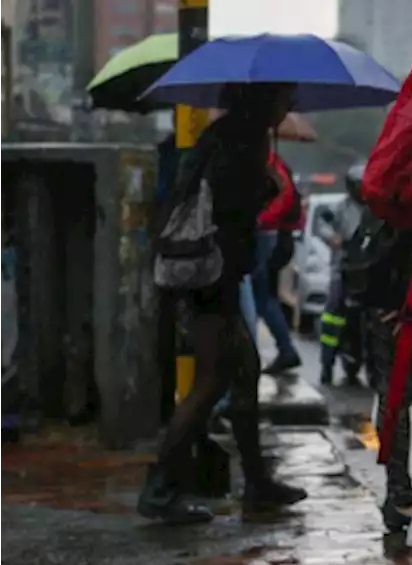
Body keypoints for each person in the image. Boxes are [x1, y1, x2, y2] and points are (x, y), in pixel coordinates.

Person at [138, 83, 308, 524]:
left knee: (245, 370)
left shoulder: (225, 137)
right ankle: (160, 488)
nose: (288, 106)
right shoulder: (238, 144)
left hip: (211, 275)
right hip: (210, 278)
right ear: (262, 101)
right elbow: (231, 215)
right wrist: (266, 190)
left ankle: (256, 482)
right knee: (213, 380)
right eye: (283, 98)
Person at [253, 150, 303, 375]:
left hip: (268, 235)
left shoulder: (269, 161)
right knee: (264, 297)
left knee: (262, 298)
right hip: (275, 235)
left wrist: (259, 220)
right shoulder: (272, 159)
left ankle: (286, 349)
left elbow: (282, 198)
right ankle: (285, 349)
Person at [318, 164, 368, 387]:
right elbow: (323, 224)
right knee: (332, 315)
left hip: (366, 272)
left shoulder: (374, 209)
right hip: (342, 270)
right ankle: (326, 363)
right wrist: (333, 238)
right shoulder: (340, 207)